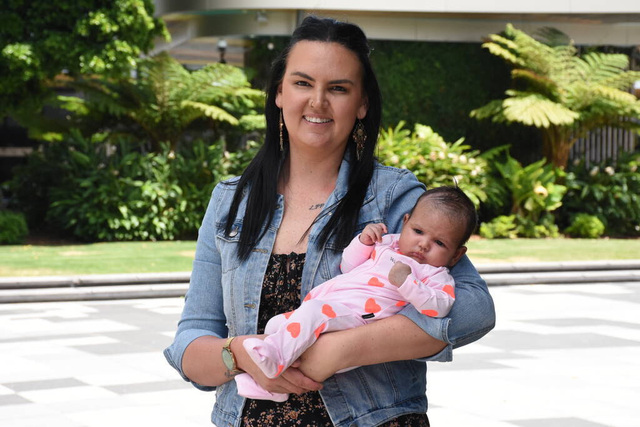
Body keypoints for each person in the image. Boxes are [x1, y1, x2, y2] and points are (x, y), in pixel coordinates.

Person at [164, 15, 495, 427]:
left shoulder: (393, 197)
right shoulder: (231, 201)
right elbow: (190, 342)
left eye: (338, 88)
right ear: (279, 92)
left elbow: (474, 309)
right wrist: (239, 354)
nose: (317, 102)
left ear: (362, 104)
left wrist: (341, 350)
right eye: (303, 83)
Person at [236, 186, 477, 402]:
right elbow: (348, 266)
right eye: (418, 231)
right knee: (274, 325)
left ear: (457, 254)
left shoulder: (435, 274)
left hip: (358, 319)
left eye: (439, 243)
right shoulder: (387, 244)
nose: (423, 244)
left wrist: (408, 283)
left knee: (312, 314)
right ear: (405, 223)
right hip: (333, 306)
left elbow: (440, 307)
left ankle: (274, 361)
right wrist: (363, 242)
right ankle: (275, 387)